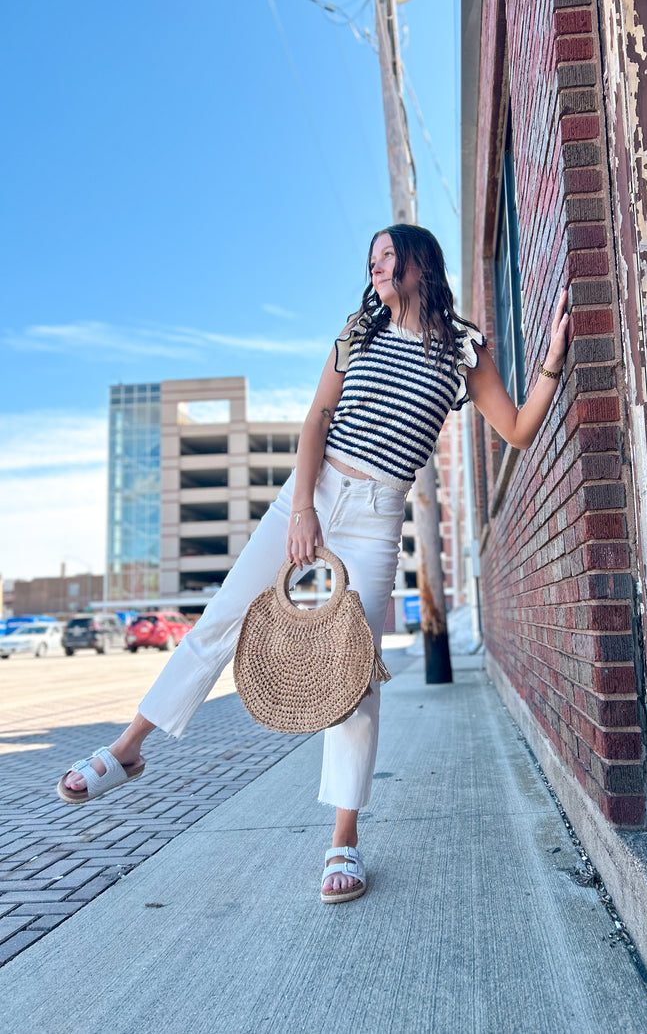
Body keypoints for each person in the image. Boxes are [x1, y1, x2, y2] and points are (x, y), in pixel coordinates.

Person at [57, 223, 570, 903]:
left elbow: (518, 429)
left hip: (380, 512)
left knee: (354, 672)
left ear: (422, 261)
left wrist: (553, 360)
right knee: (224, 615)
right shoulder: (356, 332)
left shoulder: (463, 351)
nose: (377, 264)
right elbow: (315, 419)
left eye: (389, 253)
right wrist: (301, 509)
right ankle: (129, 747)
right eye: (371, 258)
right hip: (317, 490)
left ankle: (343, 841)